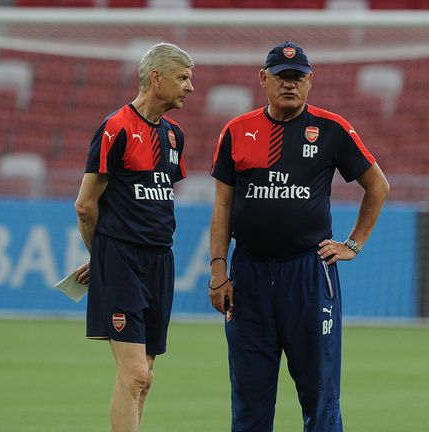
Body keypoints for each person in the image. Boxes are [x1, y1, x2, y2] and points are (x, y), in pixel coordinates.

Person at [208, 41, 390, 432]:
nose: (289, 84)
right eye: (281, 76)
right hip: (249, 277)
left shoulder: (332, 128)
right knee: (250, 396)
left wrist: (353, 244)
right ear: (263, 79)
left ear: (310, 81)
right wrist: (218, 269)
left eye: (298, 77)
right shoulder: (236, 131)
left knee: (319, 392)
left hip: (308, 272)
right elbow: (222, 206)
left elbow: (378, 186)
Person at [73, 42, 194, 432]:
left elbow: (157, 200)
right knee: (135, 373)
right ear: (156, 78)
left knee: (147, 376)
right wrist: (103, 256)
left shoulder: (174, 136)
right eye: (183, 77)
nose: (189, 87)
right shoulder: (116, 127)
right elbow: (86, 205)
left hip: (160, 261)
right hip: (122, 259)